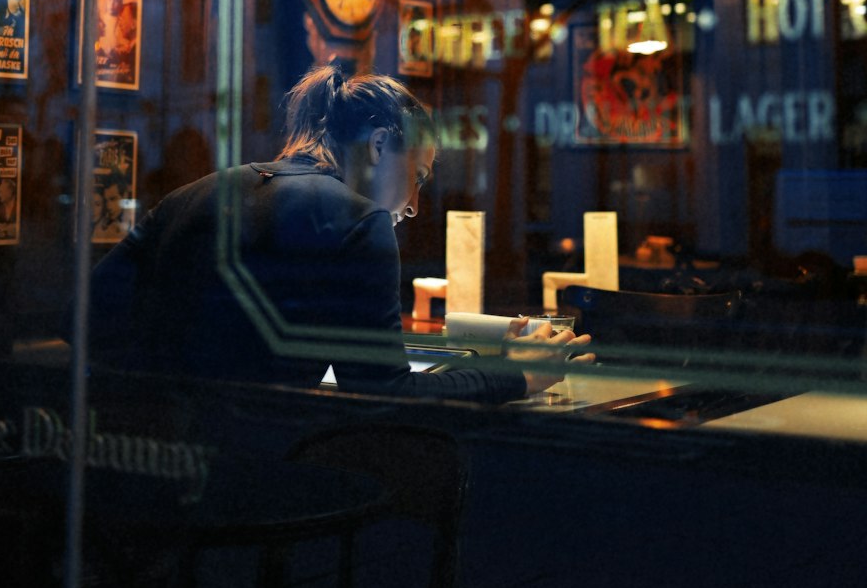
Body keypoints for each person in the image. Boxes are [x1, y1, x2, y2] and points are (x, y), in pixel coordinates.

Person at [84, 66, 592, 402]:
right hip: (258, 476)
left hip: (148, 460)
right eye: (416, 177)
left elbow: (84, 318)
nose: (413, 206)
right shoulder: (360, 221)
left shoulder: (194, 193)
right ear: (377, 146)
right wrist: (520, 374)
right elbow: (385, 394)